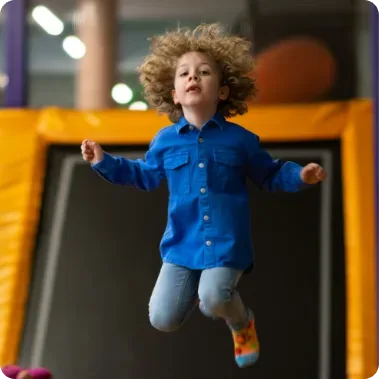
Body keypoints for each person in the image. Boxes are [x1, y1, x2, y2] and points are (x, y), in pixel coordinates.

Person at [81, 23, 326, 368]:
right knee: (162, 318)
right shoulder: (165, 141)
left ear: (223, 91)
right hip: (181, 247)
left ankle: (241, 322)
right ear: (175, 94)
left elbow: (269, 174)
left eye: (204, 72)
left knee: (213, 299)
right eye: (184, 73)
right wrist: (103, 161)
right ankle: (202, 294)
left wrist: (300, 176)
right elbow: (143, 175)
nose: (193, 77)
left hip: (226, 244)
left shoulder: (240, 140)